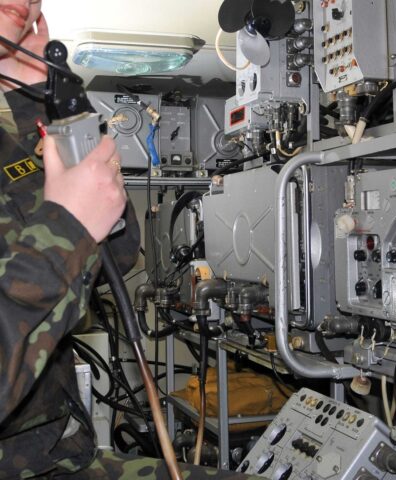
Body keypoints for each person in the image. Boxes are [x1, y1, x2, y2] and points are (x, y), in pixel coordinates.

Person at [0, 2, 251, 478]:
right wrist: (68, 229)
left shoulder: (12, 134)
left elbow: (113, 253)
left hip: (54, 456)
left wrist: (33, 90)